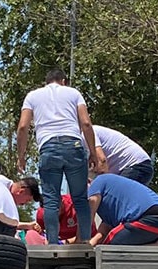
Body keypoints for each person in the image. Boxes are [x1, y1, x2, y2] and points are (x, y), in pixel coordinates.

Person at [17, 68, 97, 244]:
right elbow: (85, 123)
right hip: (73, 146)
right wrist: (92, 152)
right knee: (80, 199)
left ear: (46, 82)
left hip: (48, 147)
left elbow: (23, 127)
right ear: (64, 81)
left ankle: (52, 244)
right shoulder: (73, 93)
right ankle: (84, 242)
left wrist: (21, 156)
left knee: (52, 201)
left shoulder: (32, 96)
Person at [85, 173, 158, 246]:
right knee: (118, 242)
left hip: (148, 217)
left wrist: (81, 239)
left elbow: (89, 210)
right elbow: (102, 234)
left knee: (111, 246)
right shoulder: (110, 205)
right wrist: (88, 245)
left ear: (88, 181)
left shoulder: (97, 183)